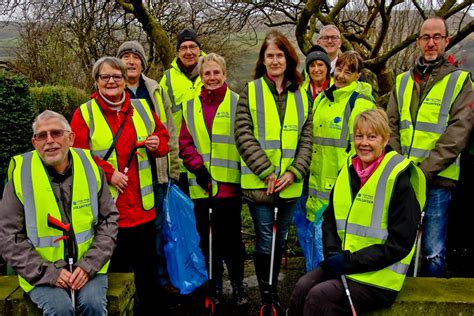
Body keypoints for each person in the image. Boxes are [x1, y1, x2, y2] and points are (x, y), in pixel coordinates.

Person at [290, 109, 426, 315]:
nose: (364, 143)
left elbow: (400, 244)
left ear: (385, 139)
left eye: (372, 137)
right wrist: (332, 252)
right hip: (346, 265)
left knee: (320, 297)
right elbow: (330, 219)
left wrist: (347, 262)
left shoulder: (398, 178)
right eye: (359, 136)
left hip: (379, 277)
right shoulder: (347, 170)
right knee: (302, 287)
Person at [70, 57, 170, 315]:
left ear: (126, 80)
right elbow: (76, 155)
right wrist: (109, 173)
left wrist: (157, 144)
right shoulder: (85, 113)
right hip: (108, 214)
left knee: (148, 275)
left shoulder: (143, 109)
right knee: (115, 278)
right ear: (97, 81)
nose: (112, 81)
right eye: (105, 77)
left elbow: (164, 140)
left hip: (143, 211)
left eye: (117, 76)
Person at [0, 110, 119, 315]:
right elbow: (8, 237)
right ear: (34, 142)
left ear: (70, 138)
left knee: (93, 306)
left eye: (56, 133)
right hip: (40, 271)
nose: (49, 141)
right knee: (61, 310)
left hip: (88, 265)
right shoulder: (21, 173)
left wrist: (88, 265)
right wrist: (50, 273)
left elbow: (109, 220)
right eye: (42, 136)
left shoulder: (90, 165)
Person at [387, 16, 473, 277]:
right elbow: (390, 125)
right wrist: (399, 164)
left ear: (446, 41)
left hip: (437, 181)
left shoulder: (460, 81)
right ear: (417, 42)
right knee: (400, 245)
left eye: (437, 37)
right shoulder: (402, 81)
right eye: (426, 37)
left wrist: (424, 171)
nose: (431, 42)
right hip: (403, 178)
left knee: (433, 250)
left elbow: (459, 132)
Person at [234, 30, 313, 314]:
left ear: (288, 58)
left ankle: (273, 292)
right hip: (260, 185)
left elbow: (307, 137)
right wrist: (267, 171)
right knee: (265, 239)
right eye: (270, 55)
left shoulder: (302, 94)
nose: (275, 60)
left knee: (280, 241)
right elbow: (242, 134)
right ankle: (267, 297)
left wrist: (293, 172)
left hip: (290, 185)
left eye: (280, 55)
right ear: (263, 60)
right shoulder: (251, 90)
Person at [179, 53, 249, 308]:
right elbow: (184, 143)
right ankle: (215, 287)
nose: (211, 77)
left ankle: (239, 287)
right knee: (209, 242)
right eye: (206, 73)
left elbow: (245, 142)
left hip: (230, 188)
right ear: (201, 76)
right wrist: (198, 169)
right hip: (201, 187)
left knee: (232, 241)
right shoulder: (190, 106)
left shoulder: (238, 103)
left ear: (224, 75)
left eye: (216, 72)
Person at [116, 40, 180, 295]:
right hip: (122, 180)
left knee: (157, 230)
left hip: (155, 174)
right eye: (126, 56)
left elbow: (169, 133)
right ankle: (129, 281)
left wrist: (172, 171)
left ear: (143, 62)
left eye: (135, 57)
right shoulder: (111, 88)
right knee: (125, 233)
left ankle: (159, 282)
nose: (131, 61)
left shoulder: (155, 89)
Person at [305, 51, 376, 266]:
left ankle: (325, 292)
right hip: (315, 188)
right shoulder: (323, 99)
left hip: (339, 191)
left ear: (358, 76)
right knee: (314, 245)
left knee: (329, 247)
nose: (342, 75)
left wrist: (343, 183)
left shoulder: (360, 104)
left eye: (349, 71)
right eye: (340, 69)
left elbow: (361, 151)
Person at [160, 28, 204, 195]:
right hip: (180, 162)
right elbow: (161, 118)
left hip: (208, 159)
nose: (188, 52)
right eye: (183, 48)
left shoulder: (211, 71)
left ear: (199, 49)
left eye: (192, 46)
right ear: (177, 52)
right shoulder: (168, 78)